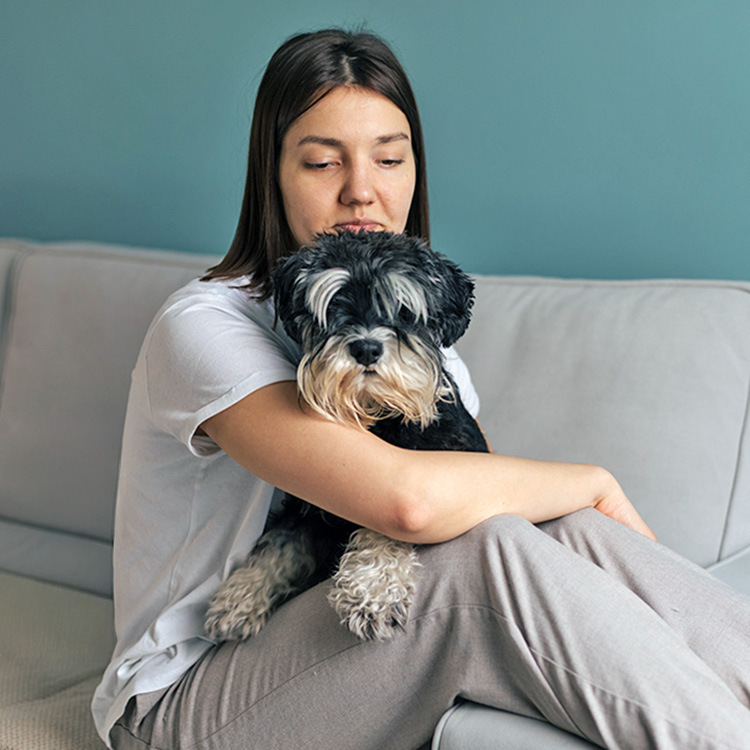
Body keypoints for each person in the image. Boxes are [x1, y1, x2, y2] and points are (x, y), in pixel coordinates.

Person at [93, 28, 750, 750]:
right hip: (185, 701)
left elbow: (485, 502)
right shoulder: (205, 327)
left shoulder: (422, 345)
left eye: (390, 157)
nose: (362, 189)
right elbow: (408, 503)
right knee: (483, 556)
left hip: (340, 650)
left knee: (560, 528)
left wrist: (575, 508)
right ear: (271, 173)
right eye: (321, 161)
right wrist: (592, 479)